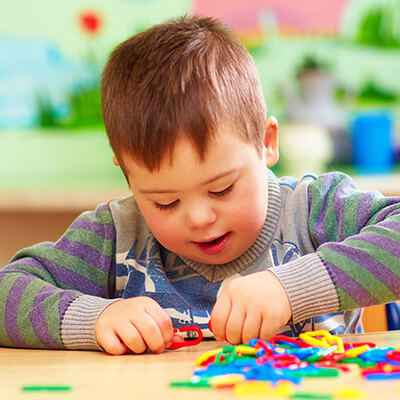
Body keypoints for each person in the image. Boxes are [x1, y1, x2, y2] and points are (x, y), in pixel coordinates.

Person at [1, 16, 400, 355]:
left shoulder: (315, 210)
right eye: (165, 202)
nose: (199, 218)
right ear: (127, 174)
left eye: (222, 189)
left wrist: (291, 288)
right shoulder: (113, 234)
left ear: (266, 143)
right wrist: (94, 318)